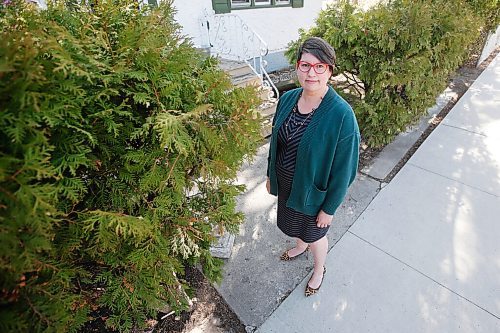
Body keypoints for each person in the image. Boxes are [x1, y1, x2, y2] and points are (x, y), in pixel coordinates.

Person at [266, 37, 360, 297]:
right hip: (289, 188)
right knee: (295, 227)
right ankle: (300, 245)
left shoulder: (341, 115)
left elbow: (345, 170)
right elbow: (276, 143)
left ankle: (319, 269)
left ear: (329, 71)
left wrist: (329, 209)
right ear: (297, 67)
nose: (311, 73)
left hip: (315, 196)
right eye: (305, 65)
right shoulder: (288, 99)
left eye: (320, 67)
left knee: (315, 234)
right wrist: (270, 175)